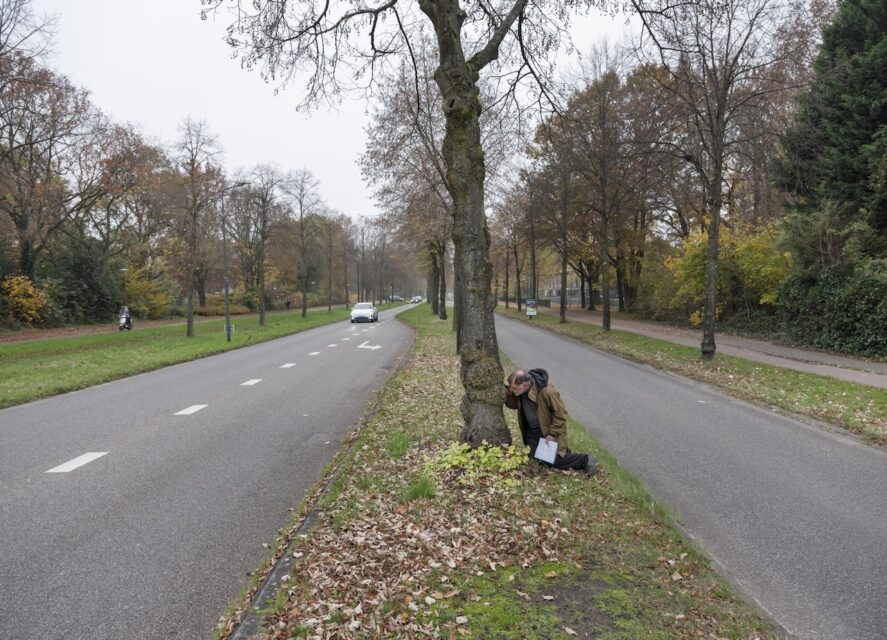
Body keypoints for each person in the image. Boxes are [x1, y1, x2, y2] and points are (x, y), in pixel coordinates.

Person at [504, 368, 597, 477]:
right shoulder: (521, 391)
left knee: (550, 460)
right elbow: (514, 405)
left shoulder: (547, 391)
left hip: (547, 430)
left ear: (525, 384)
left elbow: (560, 414)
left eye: (514, 388)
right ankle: (565, 454)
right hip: (532, 431)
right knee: (536, 458)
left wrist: (552, 434)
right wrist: (509, 394)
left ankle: (585, 460)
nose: (512, 390)